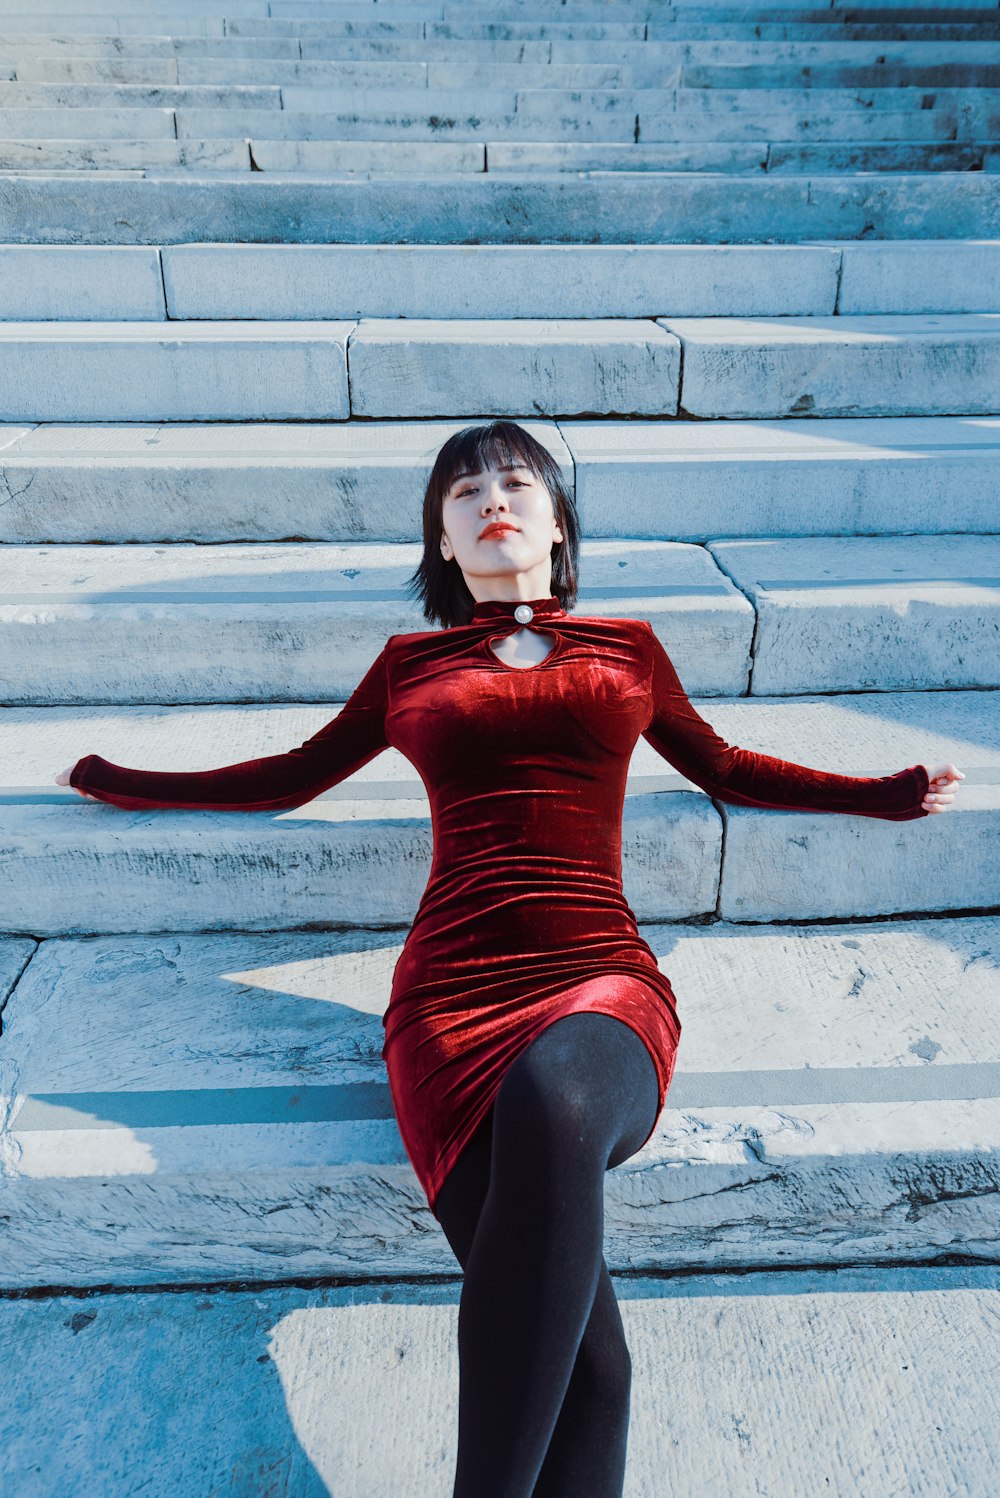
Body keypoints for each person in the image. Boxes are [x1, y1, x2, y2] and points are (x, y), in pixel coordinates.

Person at [57, 420, 963, 1498]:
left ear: (556, 522)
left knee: (557, 1095)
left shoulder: (627, 649)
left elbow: (723, 763)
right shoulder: (408, 665)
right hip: (446, 1005)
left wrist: (881, 792)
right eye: (461, 490)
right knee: (594, 1371)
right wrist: (121, 775)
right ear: (441, 543)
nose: (492, 497)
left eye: (515, 480)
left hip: (603, 983)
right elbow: (287, 778)